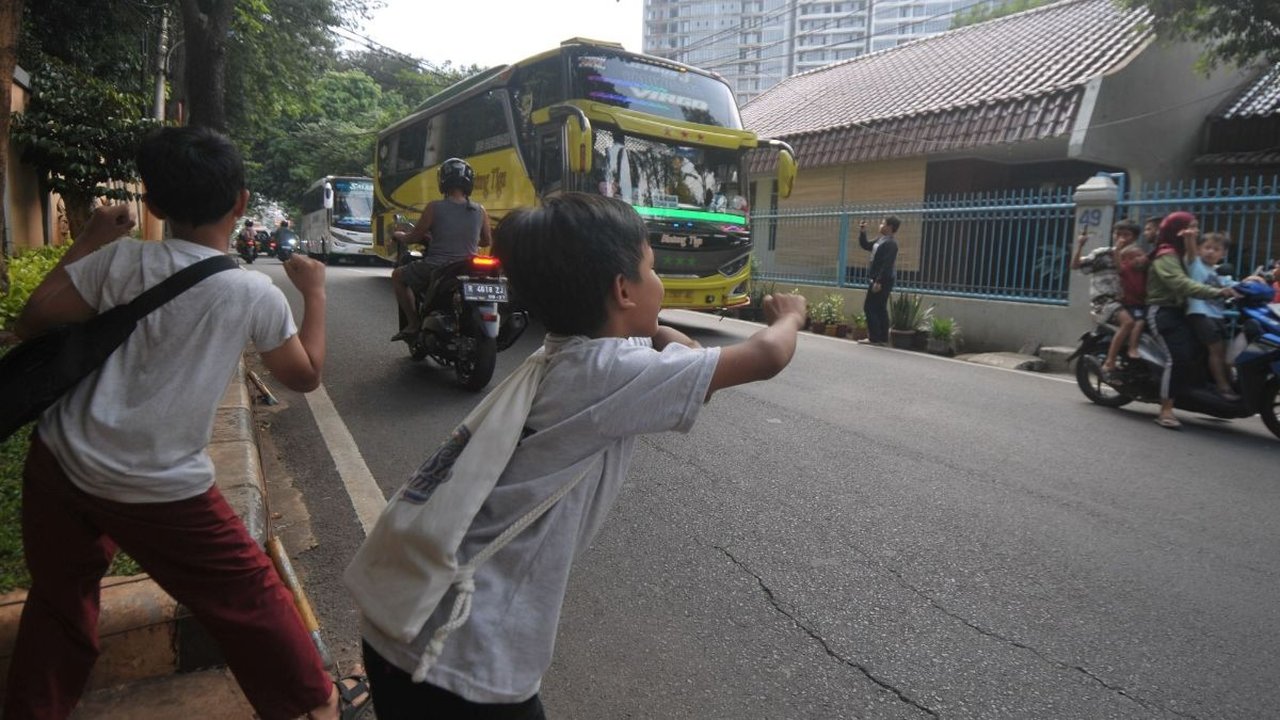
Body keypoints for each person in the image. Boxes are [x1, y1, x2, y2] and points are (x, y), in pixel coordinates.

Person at [358, 193, 807, 719]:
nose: (658, 281)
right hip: (460, 657)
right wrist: (790, 317)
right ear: (622, 290)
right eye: (651, 268)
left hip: (405, 626)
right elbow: (766, 355)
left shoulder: (565, 354)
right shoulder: (610, 372)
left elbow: (688, 366)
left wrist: (650, 324)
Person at [5, 126, 365, 720]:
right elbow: (303, 377)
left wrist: (91, 237)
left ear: (152, 205)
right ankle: (316, 704)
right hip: (158, 483)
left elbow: (32, 319)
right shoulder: (252, 293)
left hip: (60, 462)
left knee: (59, 602)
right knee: (251, 597)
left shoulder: (120, 260)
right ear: (241, 203)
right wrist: (316, 292)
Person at [1145, 212, 1238, 429]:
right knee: (1179, 358)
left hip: (1182, 311)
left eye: (1196, 227)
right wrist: (1216, 292)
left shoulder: (1184, 254)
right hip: (1163, 311)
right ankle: (1166, 409)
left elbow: (1212, 275)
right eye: (1191, 227)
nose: (1195, 231)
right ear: (1176, 229)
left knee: (1206, 351)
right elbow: (1180, 283)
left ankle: (1208, 397)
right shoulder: (1166, 255)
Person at [390, 157, 493, 341]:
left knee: (398, 276)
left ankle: (413, 324)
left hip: (438, 266)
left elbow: (414, 237)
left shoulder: (434, 207)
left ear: (443, 181)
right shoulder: (480, 210)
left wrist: (400, 235)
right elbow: (486, 241)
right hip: (468, 267)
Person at [1071, 220, 1144, 375]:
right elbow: (1076, 265)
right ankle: (1110, 362)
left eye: (1126, 235)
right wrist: (1080, 245)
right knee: (1128, 323)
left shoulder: (1137, 256)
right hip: (1104, 301)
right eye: (1118, 234)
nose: (1121, 238)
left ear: (1134, 238)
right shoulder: (1102, 254)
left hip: (1128, 302)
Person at [1184, 231, 1239, 400]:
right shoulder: (1195, 265)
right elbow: (1190, 251)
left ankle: (1230, 383)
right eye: (1207, 247)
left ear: (1223, 254)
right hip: (1199, 312)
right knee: (1217, 350)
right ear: (1199, 249)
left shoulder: (1219, 273)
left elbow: (1237, 286)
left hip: (1217, 316)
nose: (1210, 252)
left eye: (1216, 249)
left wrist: (1255, 280)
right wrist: (1189, 237)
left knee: (1226, 352)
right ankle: (1223, 386)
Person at [857, 215, 899, 346]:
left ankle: (875, 337)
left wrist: (878, 282)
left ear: (890, 227)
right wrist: (863, 232)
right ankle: (882, 338)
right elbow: (866, 245)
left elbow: (887, 265)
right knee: (880, 308)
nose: (880, 225)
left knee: (869, 307)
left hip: (883, 281)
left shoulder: (891, 244)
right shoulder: (880, 240)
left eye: (883, 223)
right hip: (877, 279)